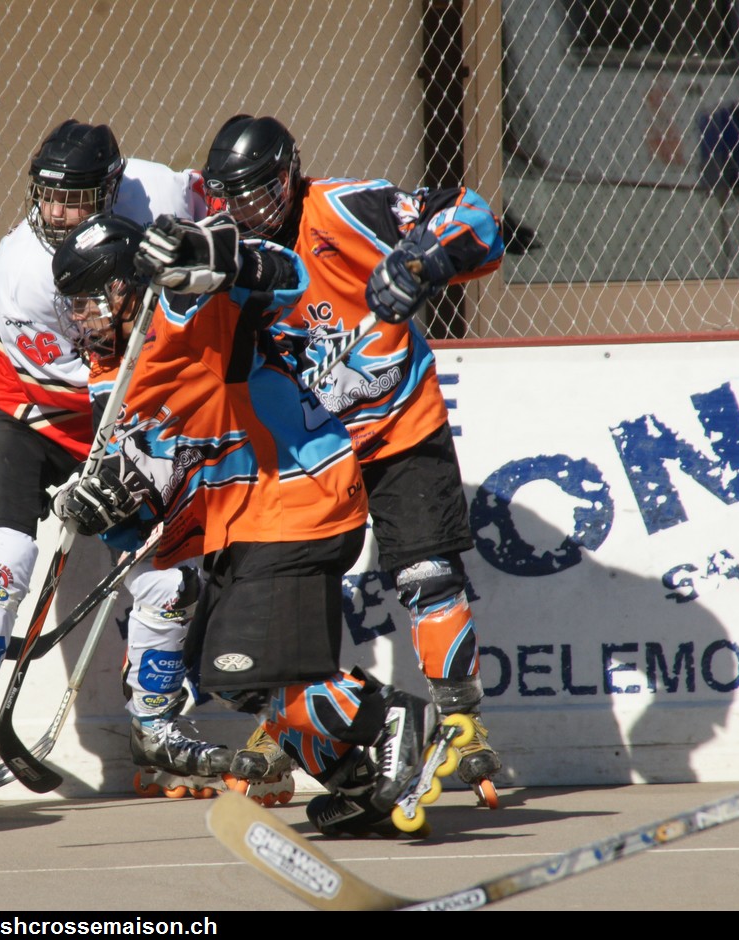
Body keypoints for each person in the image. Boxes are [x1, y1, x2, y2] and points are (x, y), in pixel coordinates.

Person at [50, 211, 450, 836]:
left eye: (90, 300)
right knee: (238, 683)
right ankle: (356, 780)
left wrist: (200, 251)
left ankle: (395, 720)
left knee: (242, 670)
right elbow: (154, 479)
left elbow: (285, 276)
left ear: (130, 286)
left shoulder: (185, 316)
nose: (82, 318)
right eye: (72, 305)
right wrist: (100, 500)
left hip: (297, 499)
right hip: (243, 521)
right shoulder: (111, 376)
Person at [200, 115, 507, 829]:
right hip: (309, 450)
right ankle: (294, 716)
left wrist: (421, 262)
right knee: (289, 587)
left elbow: (476, 218)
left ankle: (460, 719)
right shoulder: (228, 249)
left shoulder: (345, 206)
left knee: (426, 573)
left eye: (260, 191)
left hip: (398, 421)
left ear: (290, 174)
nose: (248, 209)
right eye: (232, 196)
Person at [0, 119, 224, 819]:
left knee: (168, 578)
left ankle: (156, 730)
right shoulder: (25, 269)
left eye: (76, 198)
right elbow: (82, 376)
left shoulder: (160, 189)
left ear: (112, 189)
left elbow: (222, 220)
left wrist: (193, 257)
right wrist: (108, 464)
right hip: (25, 413)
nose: (57, 212)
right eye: (49, 196)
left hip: (120, 414)